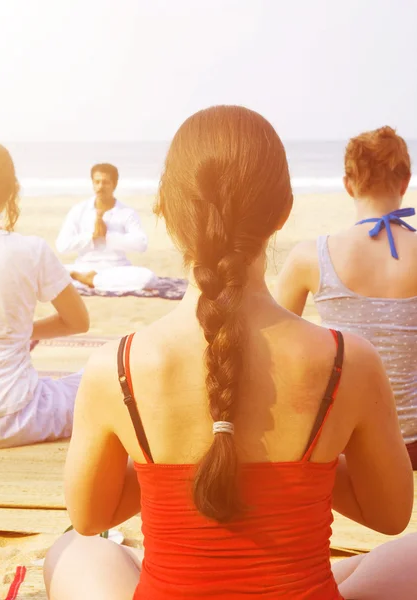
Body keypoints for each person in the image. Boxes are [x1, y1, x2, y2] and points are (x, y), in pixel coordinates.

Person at [44, 108, 415, 600]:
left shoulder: (117, 367)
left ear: (165, 211)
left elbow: (90, 517)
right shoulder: (348, 360)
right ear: (283, 212)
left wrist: (175, 464)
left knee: (76, 550)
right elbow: (390, 516)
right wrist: (308, 464)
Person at [275, 126, 417, 469]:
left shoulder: (310, 256)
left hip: (341, 441)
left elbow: (274, 345)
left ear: (348, 184)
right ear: (405, 181)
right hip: (413, 442)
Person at [0, 139, 90, 449]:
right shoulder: (30, 250)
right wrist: (21, 332)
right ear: (11, 190)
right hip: (20, 418)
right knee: (101, 375)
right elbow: (77, 322)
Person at [56, 163, 157, 293]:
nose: (100, 187)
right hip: (84, 267)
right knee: (49, 271)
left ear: (114, 184)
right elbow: (62, 246)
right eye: (96, 182)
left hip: (117, 269)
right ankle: (93, 280)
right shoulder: (78, 210)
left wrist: (108, 237)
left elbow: (141, 244)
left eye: (105, 182)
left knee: (149, 278)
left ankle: (91, 281)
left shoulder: (127, 212)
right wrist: (91, 236)